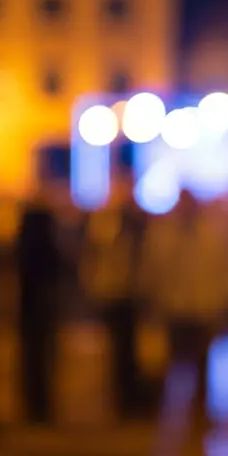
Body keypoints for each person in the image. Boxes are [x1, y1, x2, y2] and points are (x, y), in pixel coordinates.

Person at [140, 191, 228, 426]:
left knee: (203, 363)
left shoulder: (213, 233)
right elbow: (153, 270)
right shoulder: (163, 232)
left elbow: (222, 273)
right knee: (174, 362)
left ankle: (200, 411)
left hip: (202, 308)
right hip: (175, 307)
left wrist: (221, 307)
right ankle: (170, 412)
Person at [79, 178, 146, 421]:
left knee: (129, 346)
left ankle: (129, 394)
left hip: (129, 291)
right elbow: (93, 256)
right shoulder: (103, 223)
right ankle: (118, 395)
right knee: (115, 346)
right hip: (111, 292)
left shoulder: (136, 224)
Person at [15, 187, 64, 425]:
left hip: (30, 301)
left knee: (32, 353)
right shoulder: (44, 233)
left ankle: (32, 401)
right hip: (40, 300)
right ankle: (38, 402)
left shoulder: (24, 232)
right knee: (40, 353)